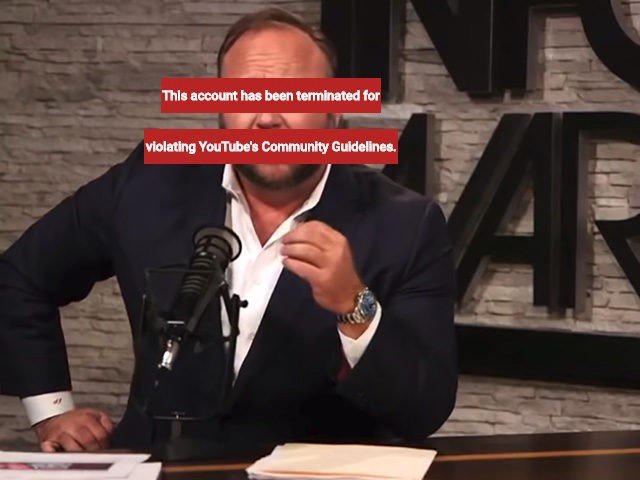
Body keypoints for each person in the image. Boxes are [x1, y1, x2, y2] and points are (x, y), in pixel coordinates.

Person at [0, 7, 457, 452]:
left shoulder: (404, 224)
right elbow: (20, 277)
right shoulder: (148, 182)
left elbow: (424, 408)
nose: (267, 117)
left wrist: (354, 305)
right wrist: (51, 410)